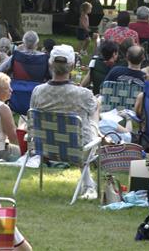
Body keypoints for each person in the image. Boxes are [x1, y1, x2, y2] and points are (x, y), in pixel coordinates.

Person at [30, 44, 99, 200]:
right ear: (73, 66)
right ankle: (88, 184)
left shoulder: (38, 91)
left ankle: (88, 184)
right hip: (78, 149)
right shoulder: (84, 94)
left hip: (45, 147)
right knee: (93, 115)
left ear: (50, 64)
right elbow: (93, 109)